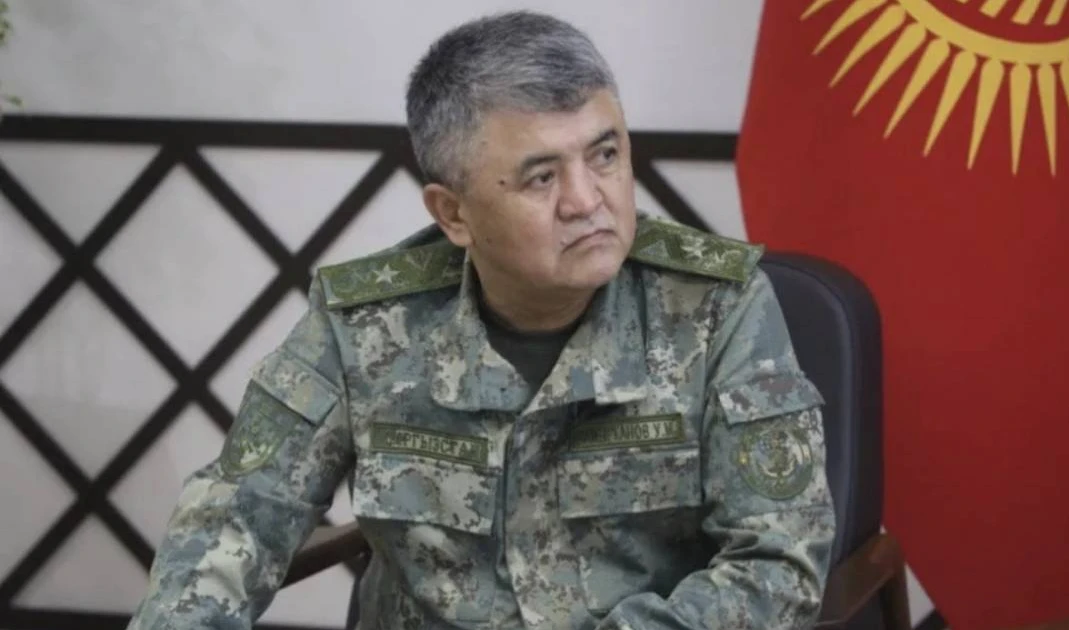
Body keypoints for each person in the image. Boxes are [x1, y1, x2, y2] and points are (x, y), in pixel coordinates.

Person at [127, 10, 836, 630]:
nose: (588, 200)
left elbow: (776, 567)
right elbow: (235, 516)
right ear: (453, 213)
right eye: (541, 176)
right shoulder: (365, 326)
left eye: (605, 155)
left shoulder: (714, 308)